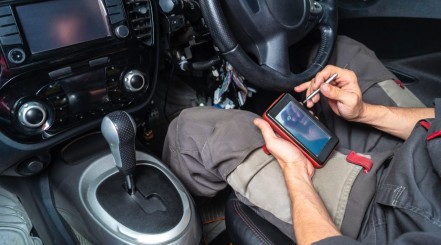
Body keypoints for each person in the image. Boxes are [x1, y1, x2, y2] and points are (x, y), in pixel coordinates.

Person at [162, 36, 441, 244]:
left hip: (375, 222)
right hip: (417, 154)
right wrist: (363, 112)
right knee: (338, 52)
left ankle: (202, 212)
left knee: (189, 133)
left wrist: (296, 170)